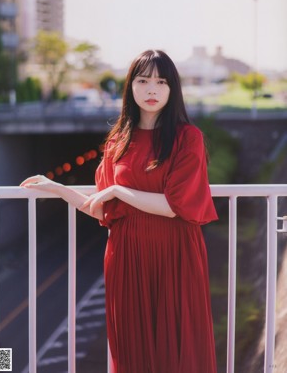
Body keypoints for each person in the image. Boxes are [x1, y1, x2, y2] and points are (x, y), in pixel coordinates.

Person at [21, 49, 218, 373]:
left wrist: (117, 190)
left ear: (173, 89)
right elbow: (102, 210)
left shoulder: (188, 138)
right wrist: (55, 188)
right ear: (131, 87)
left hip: (176, 257)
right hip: (127, 257)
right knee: (131, 354)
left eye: (161, 81)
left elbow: (173, 206)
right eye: (143, 80)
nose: (152, 89)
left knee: (180, 352)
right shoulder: (118, 142)